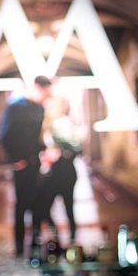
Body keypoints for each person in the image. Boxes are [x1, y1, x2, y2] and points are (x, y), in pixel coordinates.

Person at [0, 75, 53, 258]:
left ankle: (35, 245)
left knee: (37, 204)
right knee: (21, 206)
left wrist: (45, 150)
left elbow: (36, 138)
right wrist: (15, 159)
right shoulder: (15, 107)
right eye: (45, 92)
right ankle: (20, 247)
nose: (46, 96)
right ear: (37, 88)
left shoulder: (40, 108)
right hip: (21, 165)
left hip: (35, 162)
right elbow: (5, 135)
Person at [36, 97, 83, 246]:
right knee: (48, 206)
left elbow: (77, 147)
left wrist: (60, 152)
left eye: (51, 106)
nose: (48, 108)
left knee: (63, 205)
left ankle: (70, 240)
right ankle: (62, 237)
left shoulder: (63, 122)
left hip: (64, 171)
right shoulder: (49, 123)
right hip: (55, 171)